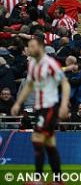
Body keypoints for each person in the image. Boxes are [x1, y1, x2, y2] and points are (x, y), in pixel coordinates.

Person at [10, 35, 70, 179]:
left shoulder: (50, 63)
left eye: (32, 46)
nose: (28, 49)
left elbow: (65, 83)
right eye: (28, 46)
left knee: (37, 137)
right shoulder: (32, 64)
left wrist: (63, 105)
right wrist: (18, 103)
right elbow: (29, 85)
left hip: (49, 106)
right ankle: (58, 178)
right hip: (39, 107)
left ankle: (38, 178)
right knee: (49, 143)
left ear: (41, 47)